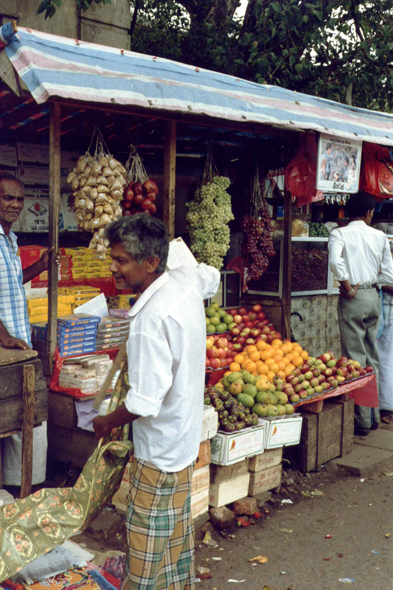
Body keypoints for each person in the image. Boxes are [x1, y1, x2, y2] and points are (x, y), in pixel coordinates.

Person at [92, 214, 220, 590]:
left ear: (150, 263)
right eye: (113, 258)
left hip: (159, 453)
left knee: (146, 548)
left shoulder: (150, 319)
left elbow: (145, 402)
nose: (113, 268)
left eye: (122, 260)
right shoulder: (184, 280)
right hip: (182, 442)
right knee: (175, 542)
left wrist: (107, 421)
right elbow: (209, 275)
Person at [0, 173, 57, 486]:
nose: (15, 205)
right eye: (8, 198)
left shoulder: (10, 239)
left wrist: (40, 267)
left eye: (20, 199)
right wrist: (3, 335)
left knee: (26, 421)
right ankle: (20, 490)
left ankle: (21, 489)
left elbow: (8, 285)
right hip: (5, 350)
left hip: (18, 346)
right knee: (19, 421)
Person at [329, 191, 393, 436]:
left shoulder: (339, 233)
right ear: (369, 213)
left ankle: (362, 420)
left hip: (353, 297)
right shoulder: (379, 236)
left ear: (346, 211)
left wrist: (346, 286)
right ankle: (373, 415)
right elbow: (388, 274)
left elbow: (335, 262)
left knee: (355, 358)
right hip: (373, 296)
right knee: (371, 356)